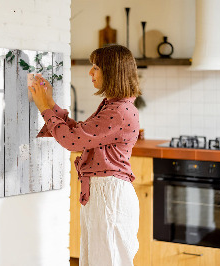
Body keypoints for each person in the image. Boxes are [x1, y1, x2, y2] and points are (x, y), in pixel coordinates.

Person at [28, 44, 141, 266]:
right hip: (103, 193)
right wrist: (50, 103)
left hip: (109, 195)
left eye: (96, 67)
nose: (90, 72)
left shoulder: (118, 111)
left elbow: (72, 141)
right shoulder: (114, 106)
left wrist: (44, 108)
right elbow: (80, 134)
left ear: (112, 71)